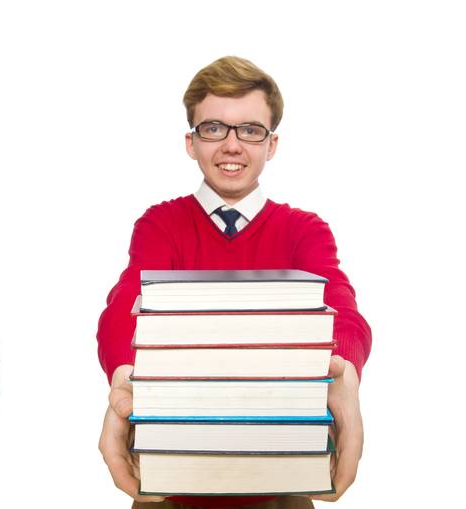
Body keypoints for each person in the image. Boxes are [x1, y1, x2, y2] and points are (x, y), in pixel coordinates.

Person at [95, 56, 370, 508]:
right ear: (191, 142)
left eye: (250, 130)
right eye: (214, 129)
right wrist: (125, 373)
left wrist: (344, 368)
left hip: (280, 485)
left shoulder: (304, 229)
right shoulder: (160, 224)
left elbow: (339, 305)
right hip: (171, 482)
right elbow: (128, 302)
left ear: (272, 144)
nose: (232, 145)